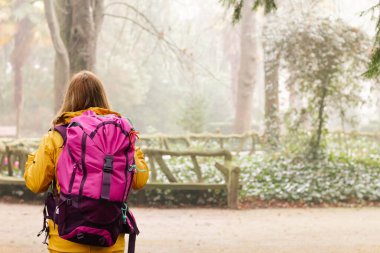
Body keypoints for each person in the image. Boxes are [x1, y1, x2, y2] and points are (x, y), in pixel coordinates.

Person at [24, 70, 149, 253]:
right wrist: (134, 151)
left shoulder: (57, 136)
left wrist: (33, 159)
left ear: (69, 98)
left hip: (66, 241)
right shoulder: (121, 136)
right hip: (111, 239)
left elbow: (35, 183)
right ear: (102, 97)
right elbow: (140, 180)